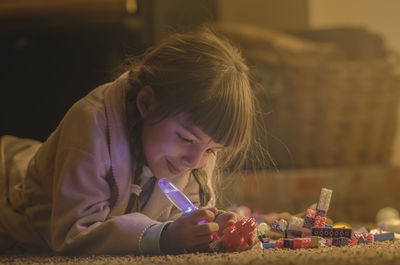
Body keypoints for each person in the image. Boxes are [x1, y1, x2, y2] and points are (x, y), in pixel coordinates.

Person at [0, 26, 260, 255]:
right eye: (185, 138)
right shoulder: (91, 123)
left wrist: (214, 227)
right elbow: (73, 232)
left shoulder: (195, 147)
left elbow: (187, 214)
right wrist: (164, 237)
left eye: (212, 150)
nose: (195, 161)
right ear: (146, 103)